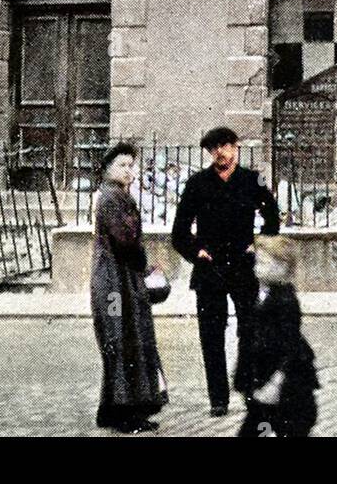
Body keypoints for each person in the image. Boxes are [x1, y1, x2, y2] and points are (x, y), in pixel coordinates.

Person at [172, 126, 281, 415]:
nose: (219, 152)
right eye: (213, 148)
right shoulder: (197, 184)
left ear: (236, 147)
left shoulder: (250, 180)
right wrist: (197, 252)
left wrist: (257, 245)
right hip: (210, 270)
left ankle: (248, 389)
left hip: (243, 268)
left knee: (249, 331)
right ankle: (218, 399)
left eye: (224, 145)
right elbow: (179, 232)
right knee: (211, 335)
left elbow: (273, 219)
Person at [90, 142, 167, 434]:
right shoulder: (113, 197)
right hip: (114, 284)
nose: (128, 171)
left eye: (131, 165)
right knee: (121, 340)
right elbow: (126, 240)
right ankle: (125, 415)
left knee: (121, 340)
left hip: (118, 278)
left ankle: (111, 410)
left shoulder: (115, 195)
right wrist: (144, 264)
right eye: (122, 165)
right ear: (108, 168)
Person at [234, 236, 318, 438]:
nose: (257, 268)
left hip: (283, 388)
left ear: (282, 267)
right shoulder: (264, 294)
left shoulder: (285, 300)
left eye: (263, 263)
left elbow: (290, 345)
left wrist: (276, 382)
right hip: (264, 383)